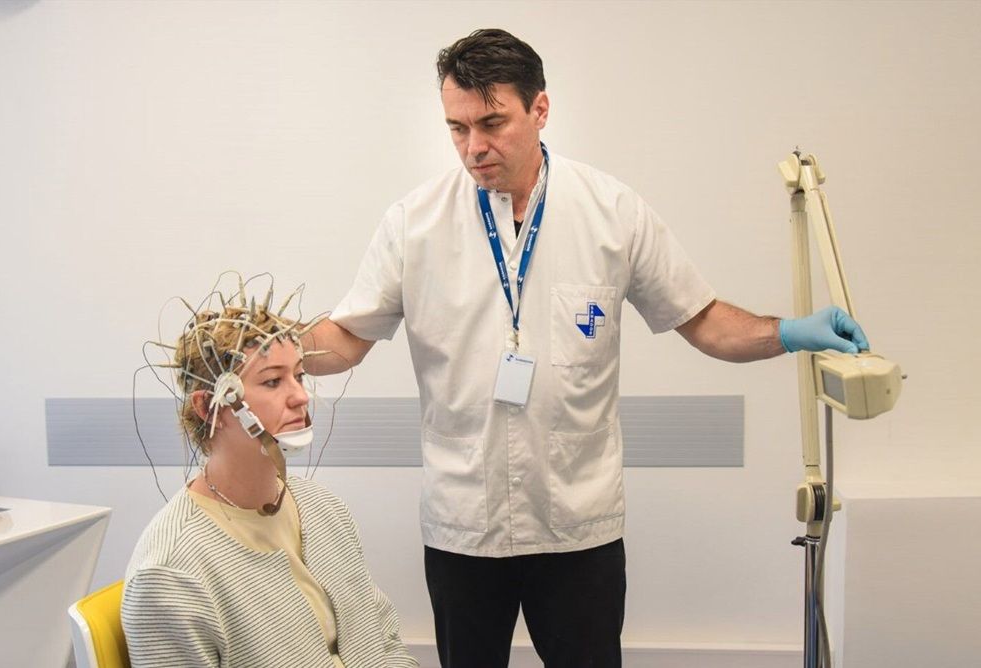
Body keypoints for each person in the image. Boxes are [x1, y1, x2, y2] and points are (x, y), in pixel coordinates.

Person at [303, 29, 869, 668]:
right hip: (464, 522)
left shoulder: (612, 212)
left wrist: (788, 332)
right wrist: (266, 345)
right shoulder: (414, 224)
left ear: (540, 109)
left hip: (578, 524)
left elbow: (705, 321)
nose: (474, 147)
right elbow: (344, 340)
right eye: (457, 128)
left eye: (492, 123)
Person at [122, 283, 418, 668]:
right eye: (273, 381)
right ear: (210, 408)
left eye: (299, 375)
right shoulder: (171, 573)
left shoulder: (324, 510)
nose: (301, 396)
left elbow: (385, 641)